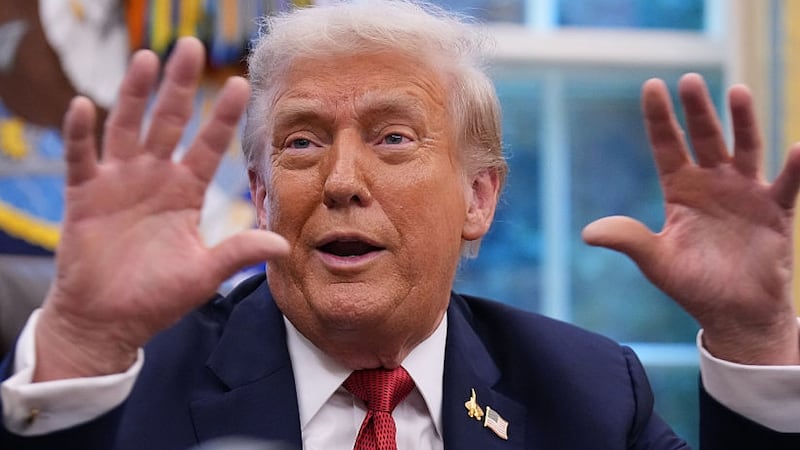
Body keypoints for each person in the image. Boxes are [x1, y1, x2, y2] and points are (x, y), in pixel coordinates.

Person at [2, 1, 800, 448]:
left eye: (393, 138)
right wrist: (79, 342)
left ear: (479, 199)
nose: (342, 182)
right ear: (262, 194)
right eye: (303, 142)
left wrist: (755, 340)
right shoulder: (121, 392)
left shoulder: (588, 398)